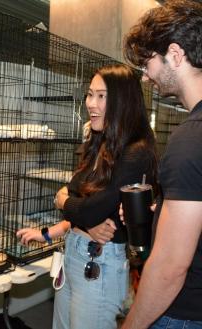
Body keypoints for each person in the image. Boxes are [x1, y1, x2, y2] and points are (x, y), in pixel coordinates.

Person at [17, 64, 157, 329]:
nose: (91, 103)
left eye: (101, 96)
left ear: (122, 101)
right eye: (89, 94)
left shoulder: (136, 151)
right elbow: (77, 195)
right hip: (74, 252)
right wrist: (73, 216)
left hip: (100, 261)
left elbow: (92, 207)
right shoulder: (100, 142)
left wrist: (64, 202)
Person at [120, 1, 202, 328]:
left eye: (147, 62)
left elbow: (169, 269)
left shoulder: (189, 140)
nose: (144, 75)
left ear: (175, 54)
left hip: (182, 314)